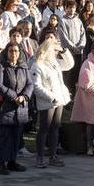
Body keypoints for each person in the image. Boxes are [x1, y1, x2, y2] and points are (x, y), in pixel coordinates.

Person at [30, 36, 74, 168]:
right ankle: (40, 157)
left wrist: (63, 50)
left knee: (55, 128)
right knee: (44, 128)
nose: (55, 53)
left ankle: (53, 156)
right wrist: (51, 97)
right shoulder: (37, 65)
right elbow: (36, 87)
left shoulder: (54, 63)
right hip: (48, 101)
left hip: (58, 100)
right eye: (53, 50)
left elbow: (70, 64)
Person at [0, 42, 33, 175]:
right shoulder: (0, 67)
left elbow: (30, 84)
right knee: (4, 137)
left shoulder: (23, 67)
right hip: (5, 107)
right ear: (6, 53)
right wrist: (14, 96)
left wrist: (24, 96)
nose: (13, 53)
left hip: (20, 108)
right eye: (11, 51)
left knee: (16, 136)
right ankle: (1, 163)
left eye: (16, 51)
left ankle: (12, 161)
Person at [58, 0, 86, 95]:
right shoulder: (62, 20)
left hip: (79, 52)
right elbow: (63, 36)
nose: (71, 9)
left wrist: (81, 46)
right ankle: (68, 95)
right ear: (65, 8)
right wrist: (73, 47)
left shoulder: (78, 20)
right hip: (68, 52)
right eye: (69, 7)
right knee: (68, 74)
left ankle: (76, 95)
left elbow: (83, 35)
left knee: (77, 73)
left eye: (73, 7)